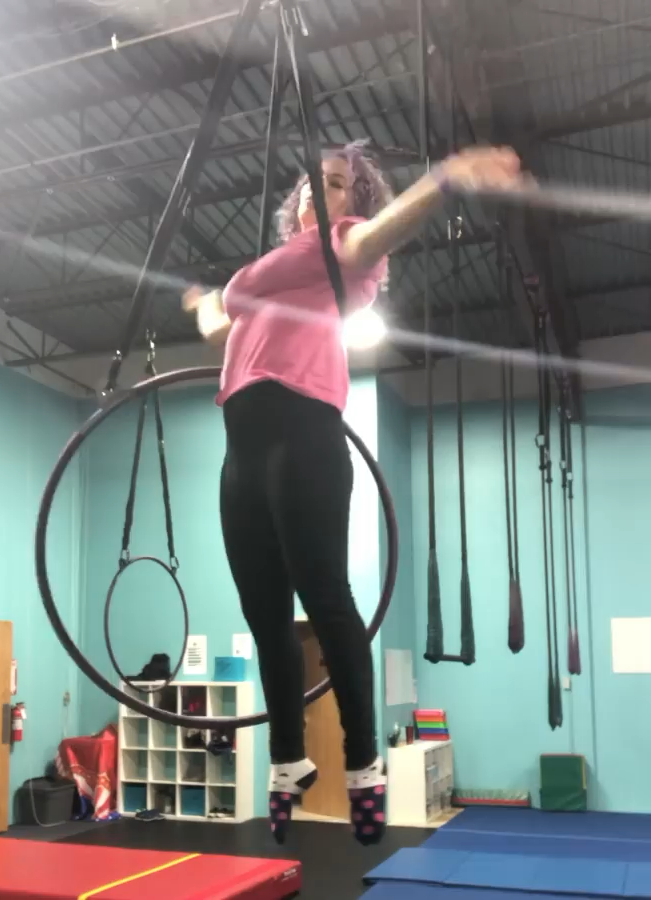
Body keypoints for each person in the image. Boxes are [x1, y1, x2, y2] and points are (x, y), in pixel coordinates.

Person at [183, 141, 524, 845]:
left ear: (351, 202)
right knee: (264, 616)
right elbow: (218, 324)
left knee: (326, 599)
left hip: (303, 436)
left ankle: (363, 763)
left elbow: (379, 234)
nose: (321, 189)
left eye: (337, 182)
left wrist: (445, 181)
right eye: (314, 181)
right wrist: (197, 301)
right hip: (240, 453)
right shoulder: (266, 277)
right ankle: (288, 759)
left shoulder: (341, 250)